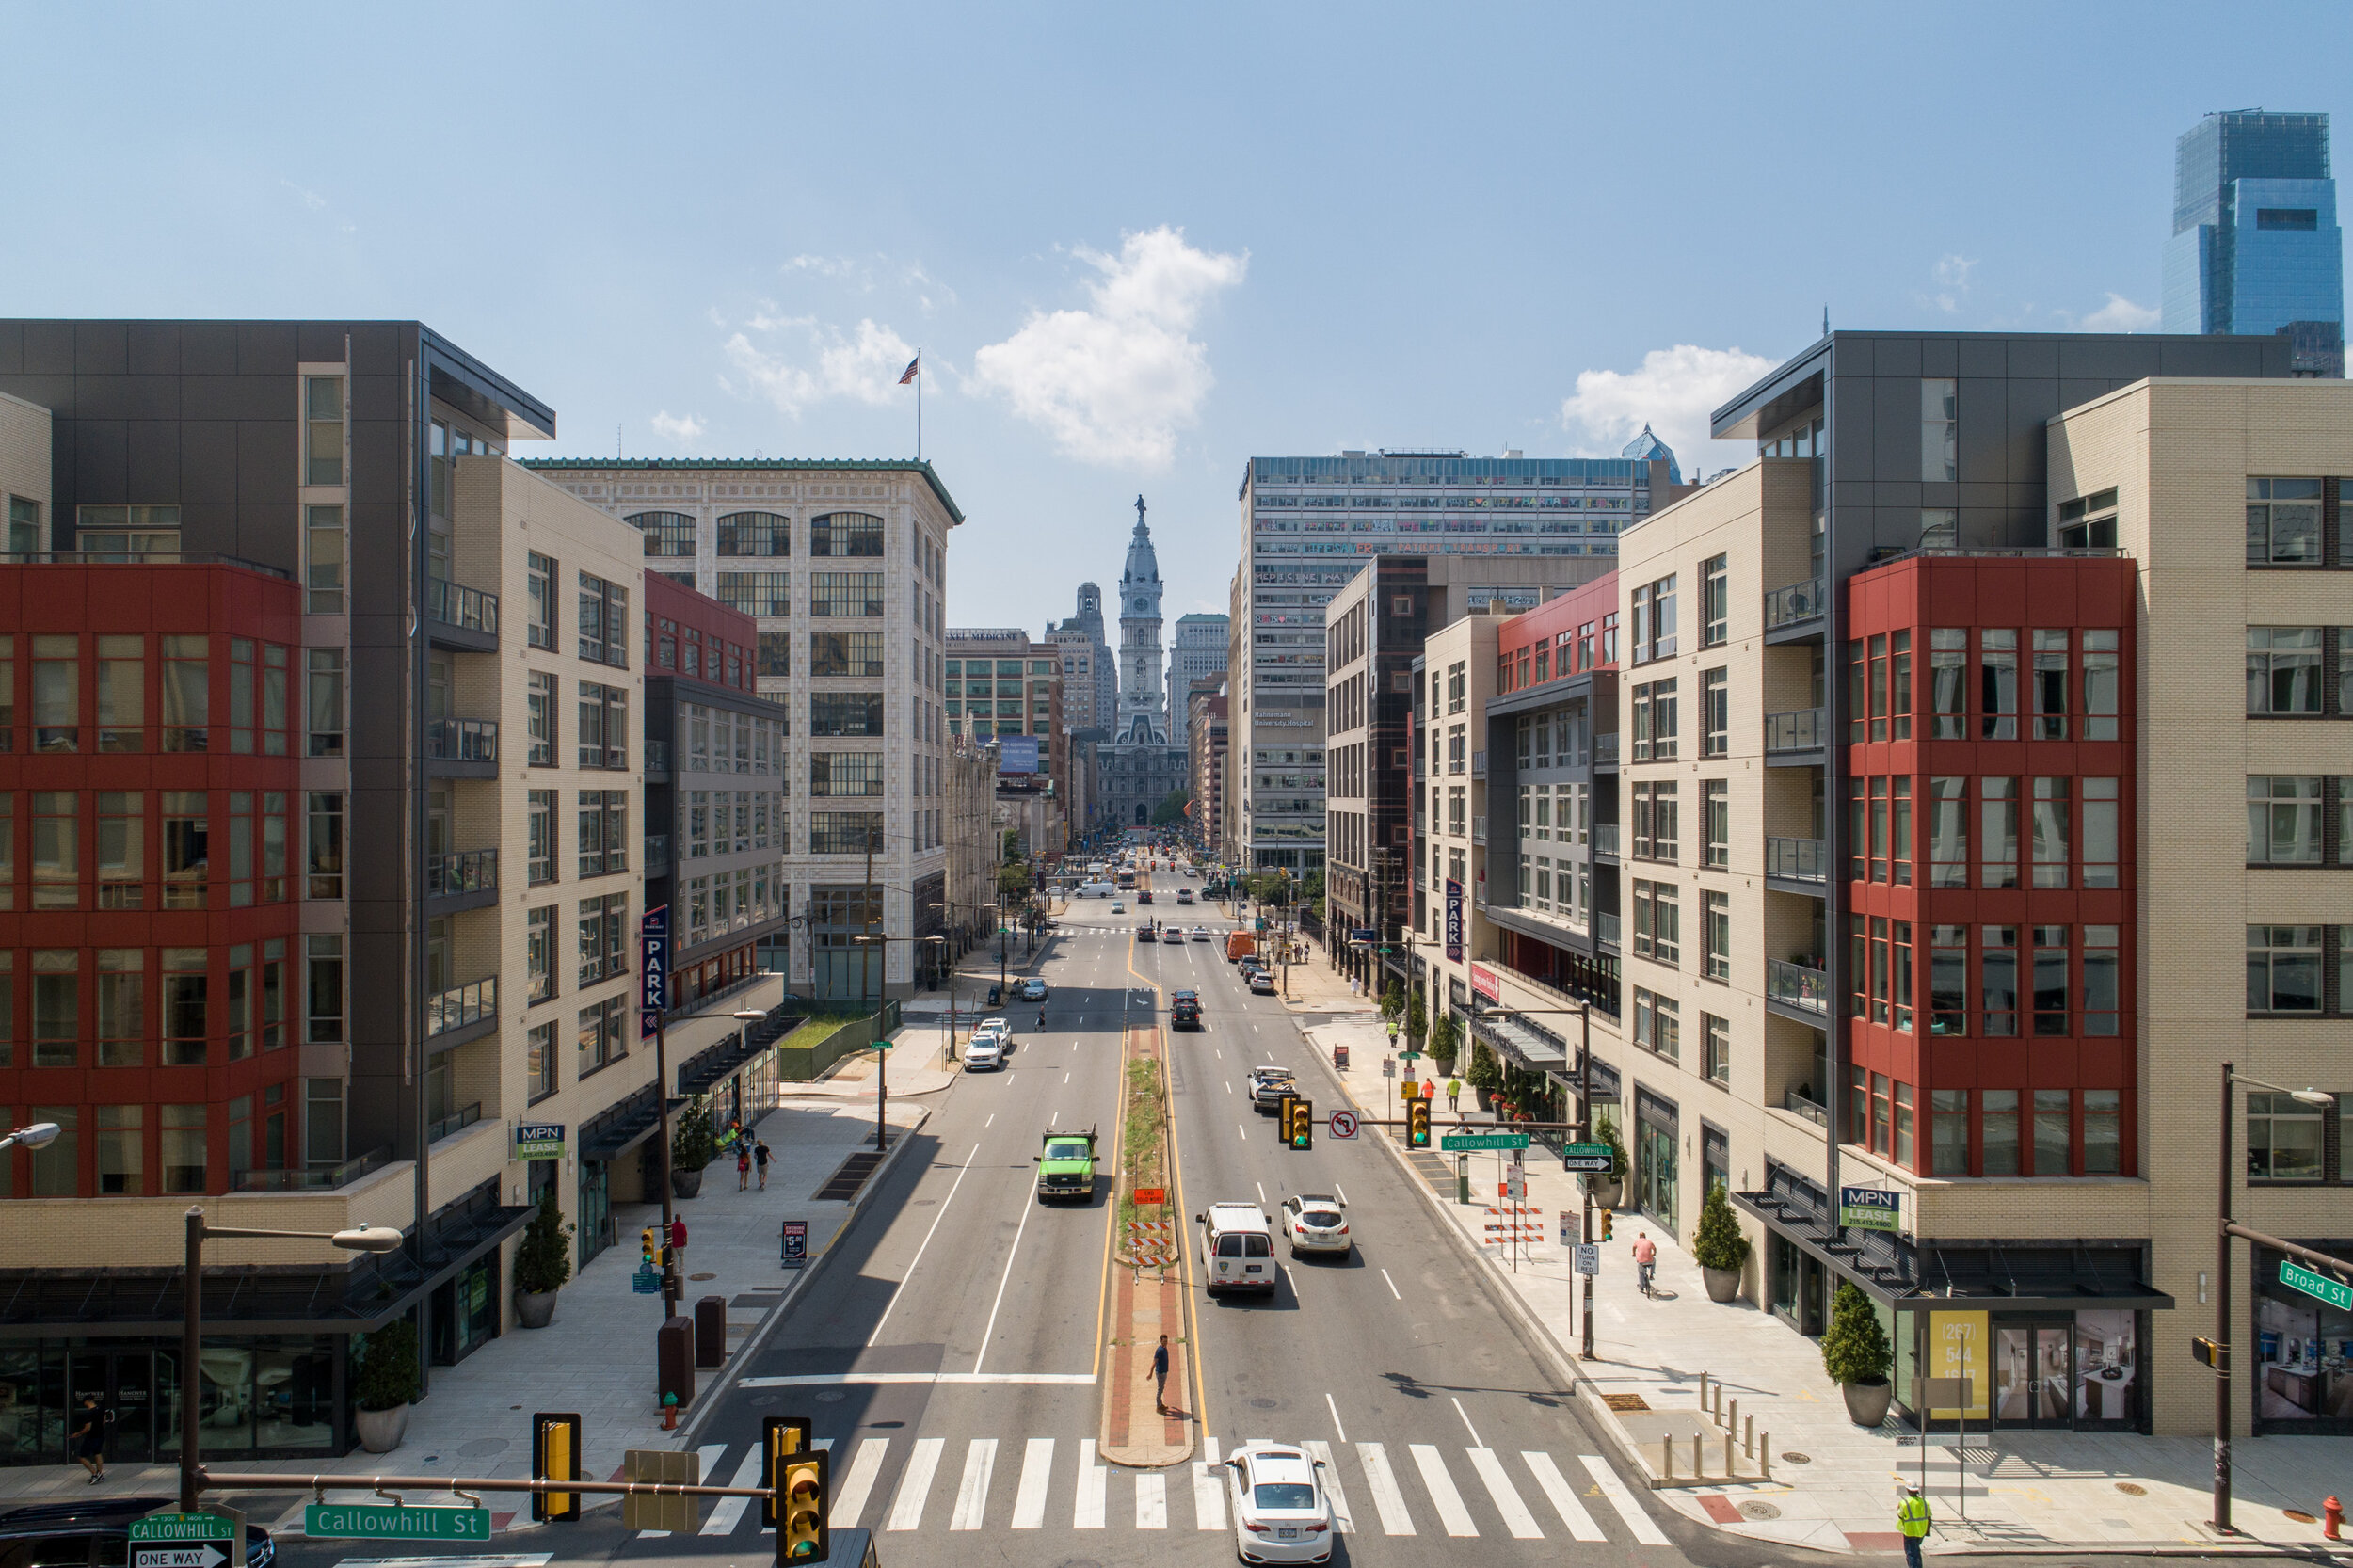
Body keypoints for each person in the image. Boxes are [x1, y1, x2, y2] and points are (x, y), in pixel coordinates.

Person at [71, 1393, 106, 1483]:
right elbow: (104, 1420)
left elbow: (87, 1428)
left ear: (87, 1402)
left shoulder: (89, 1413)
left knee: (82, 1456)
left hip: (92, 1437)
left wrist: (78, 1434)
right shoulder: (101, 1409)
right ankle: (100, 1474)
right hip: (101, 1434)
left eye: (84, 1402)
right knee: (98, 1453)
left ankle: (95, 1474)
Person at [1897, 1483, 1933, 1568]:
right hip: (1921, 1531)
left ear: (1908, 1490)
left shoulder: (1904, 1503)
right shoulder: (1925, 1503)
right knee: (1916, 1551)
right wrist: (1928, 1531)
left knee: (1911, 1554)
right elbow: (1929, 1518)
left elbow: (1900, 1515)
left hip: (1910, 1532)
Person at [1149, 1334, 1172, 1415]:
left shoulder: (1164, 1348)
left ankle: (1160, 1404)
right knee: (1160, 1390)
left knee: (1162, 1388)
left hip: (1164, 1372)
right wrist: (1150, 1373)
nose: (1166, 1343)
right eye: (1164, 1341)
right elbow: (1154, 1362)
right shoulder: (1159, 1350)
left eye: (1166, 1341)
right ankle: (1158, 1407)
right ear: (1161, 1341)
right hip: (1160, 1373)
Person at [1632, 1230, 1657, 1297]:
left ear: (1639, 1237)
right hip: (1650, 1261)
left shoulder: (1637, 1241)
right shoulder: (1649, 1242)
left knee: (1641, 1273)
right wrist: (1654, 1253)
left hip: (1641, 1262)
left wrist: (1634, 1254)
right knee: (1654, 1260)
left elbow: (1634, 1247)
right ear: (1645, 1236)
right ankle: (1651, 1274)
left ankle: (1641, 1287)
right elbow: (1654, 1248)